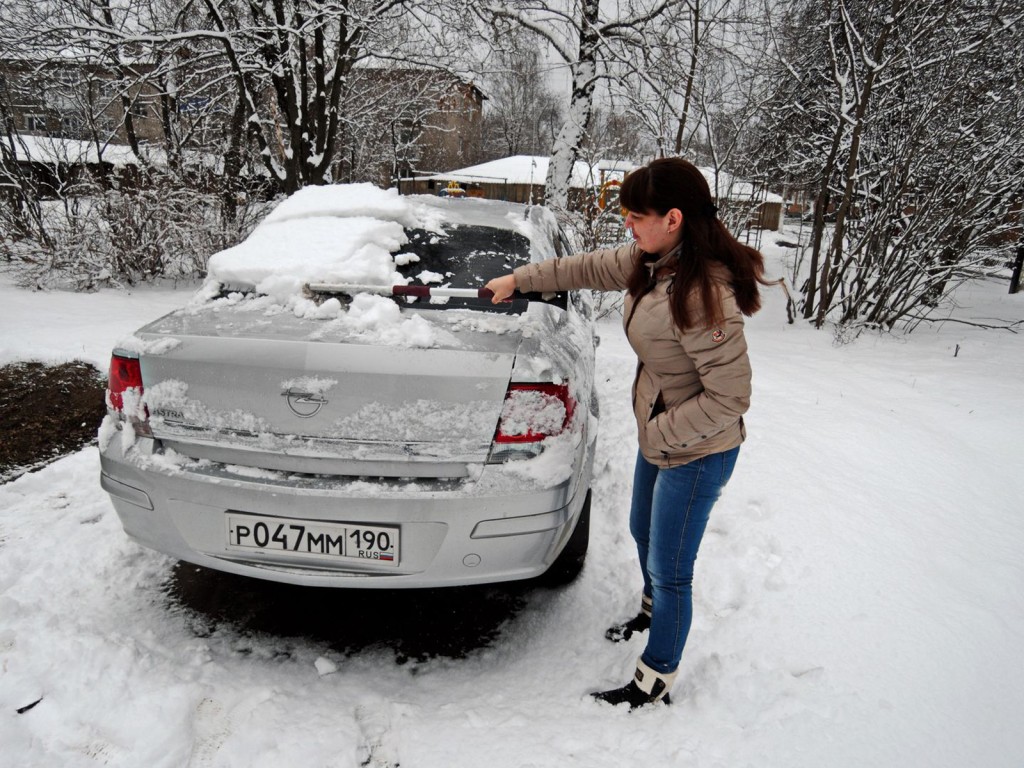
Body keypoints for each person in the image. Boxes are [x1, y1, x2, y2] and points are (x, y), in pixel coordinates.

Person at [485, 157, 767, 710]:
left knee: (672, 566)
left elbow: (731, 398)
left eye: (638, 216)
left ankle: (654, 676)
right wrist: (520, 280)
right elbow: (586, 267)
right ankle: (652, 608)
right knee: (642, 529)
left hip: (699, 449)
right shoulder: (653, 262)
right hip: (662, 435)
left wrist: (662, 432)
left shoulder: (703, 294)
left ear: (674, 219)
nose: (629, 227)